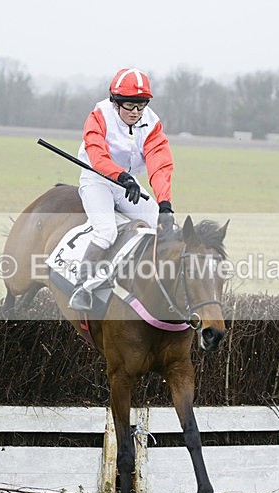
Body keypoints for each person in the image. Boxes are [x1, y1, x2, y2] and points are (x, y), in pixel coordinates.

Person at [68, 67, 175, 311]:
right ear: (115, 103)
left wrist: (165, 204)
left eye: (141, 106)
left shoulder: (152, 123)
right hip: (97, 179)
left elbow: (160, 164)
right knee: (106, 232)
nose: (136, 113)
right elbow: (97, 154)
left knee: (164, 226)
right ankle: (80, 287)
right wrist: (120, 176)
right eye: (129, 106)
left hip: (127, 183)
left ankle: (161, 288)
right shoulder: (99, 115)